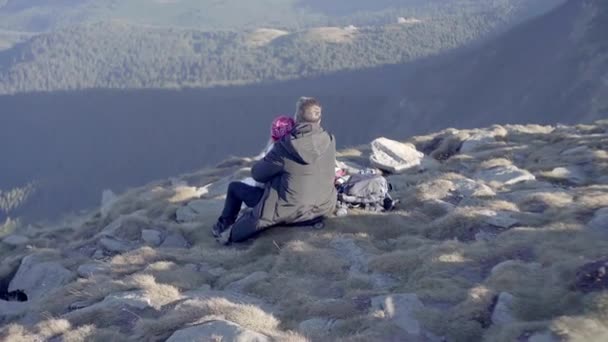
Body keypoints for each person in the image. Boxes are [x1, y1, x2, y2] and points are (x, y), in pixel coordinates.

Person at [212, 97, 337, 244]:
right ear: (319, 119)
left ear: (296, 118)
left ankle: (222, 227)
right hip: (323, 208)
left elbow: (258, 174)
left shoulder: (284, 147)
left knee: (235, 189)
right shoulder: (329, 140)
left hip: (291, 213)